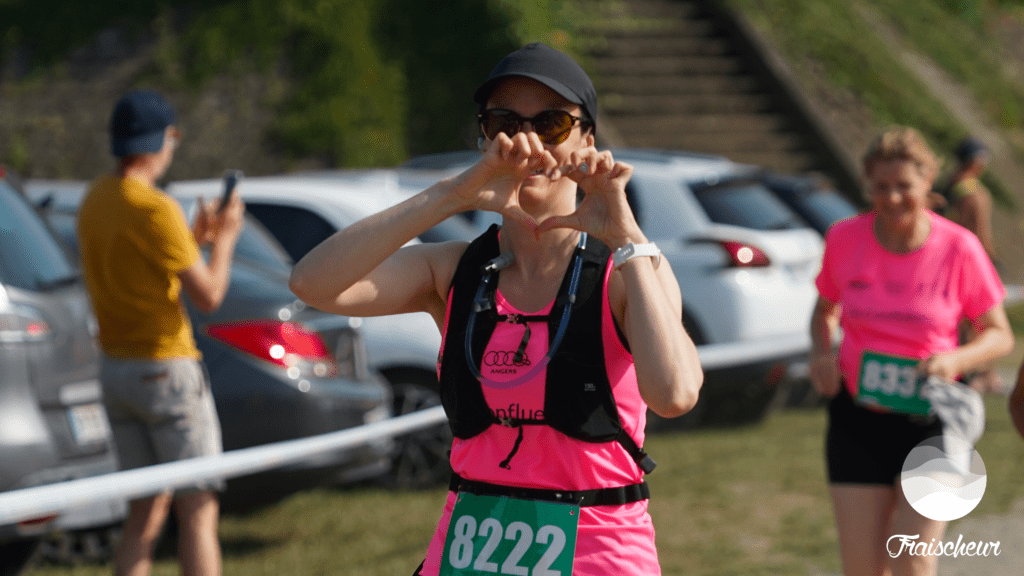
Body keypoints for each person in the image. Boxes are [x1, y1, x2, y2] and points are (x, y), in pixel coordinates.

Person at [289, 42, 703, 575]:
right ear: (485, 138)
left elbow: (674, 394)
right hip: (468, 557)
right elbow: (313, 284)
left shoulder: (629, 268)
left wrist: (626, 236)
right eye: (505, 124)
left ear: (587, 140)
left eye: (551, 124)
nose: (527, 143)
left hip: (597, 557)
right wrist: (450, 195)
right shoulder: (453, 270)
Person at [809, 126, 1013, 576]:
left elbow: (1000, 334)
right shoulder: (844, 238)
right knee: (862, 568)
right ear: (867, 183)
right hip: (857, 420)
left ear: (927, 182)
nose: (893, 198)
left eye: (904, 185)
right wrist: (822, 353)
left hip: (933, 421)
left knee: (912, 559)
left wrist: (955, 359)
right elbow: (824, 310)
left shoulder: (959, 247)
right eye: (881, 186)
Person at [77, 88, 244, 576]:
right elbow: (209, 295)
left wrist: (193, 240)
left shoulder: (96, 198)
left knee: (144, 512)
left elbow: (142, 269)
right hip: (166, 369)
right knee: (198, 507)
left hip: (116, 370)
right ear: (162, 139)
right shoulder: (156, 207)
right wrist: (225, 237)